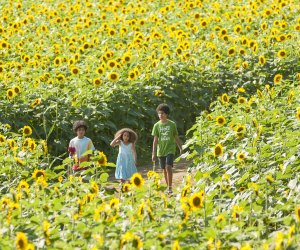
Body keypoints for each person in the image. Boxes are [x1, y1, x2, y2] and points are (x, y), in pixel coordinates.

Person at [152, 103, 182, 194]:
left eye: (163, 113)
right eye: (159, 113)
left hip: (170, 149)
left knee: (168, 166)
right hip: (161, 150)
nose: (160, 115)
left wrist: (180, 147)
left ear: (167, 114)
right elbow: (155, 140)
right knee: (164, 169)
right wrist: (153, 153)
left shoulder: (172, 124)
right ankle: (167, 186)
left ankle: (170, 187)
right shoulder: (156, 126)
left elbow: (176, 137)